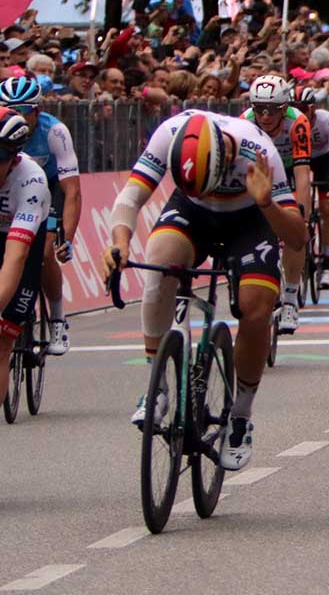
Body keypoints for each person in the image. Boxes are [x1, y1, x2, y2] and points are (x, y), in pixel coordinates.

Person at [102, 110, 305, 470]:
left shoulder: (259, 151)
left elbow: (297, 236)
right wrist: (119, 243)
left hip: (249, 219)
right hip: (192, 212)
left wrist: (266, 202)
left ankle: (240, 415)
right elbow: (130, 197)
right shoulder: (169, 132)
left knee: (256, 308)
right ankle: (157, 388)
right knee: (160, 260)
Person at [0, 77, 80, 355]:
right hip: (12, 190)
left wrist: (67, 238)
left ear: (36, 111)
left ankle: (57, 319)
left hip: (48, 187)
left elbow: (73, 191)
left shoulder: (54, 132)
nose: (16, 115)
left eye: (22, 110)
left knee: (45, 252)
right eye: (9, 108)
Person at [242, 74, 312, 333]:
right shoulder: (244, 123)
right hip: (259, 173)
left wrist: (302, 218)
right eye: (259, 109)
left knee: (296, 228)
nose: (265, 116)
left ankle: (291, 299)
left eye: (272, 110)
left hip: (288, 173)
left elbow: (302, 175)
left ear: (284, 109)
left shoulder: (298, 122)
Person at [0, 109, 51, 403]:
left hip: (22, 239)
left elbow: (15, 257)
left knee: (2, 341)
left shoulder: (31, 180)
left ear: (14, 157)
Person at [296, 87, 329, 288]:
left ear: (312, 108)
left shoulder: (327, 121)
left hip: (324, 160)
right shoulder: (289, 121)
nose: (298, 113)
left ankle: (326, 266)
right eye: (294, 108)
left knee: (326, 209)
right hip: (300, 159)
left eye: (302, 109)